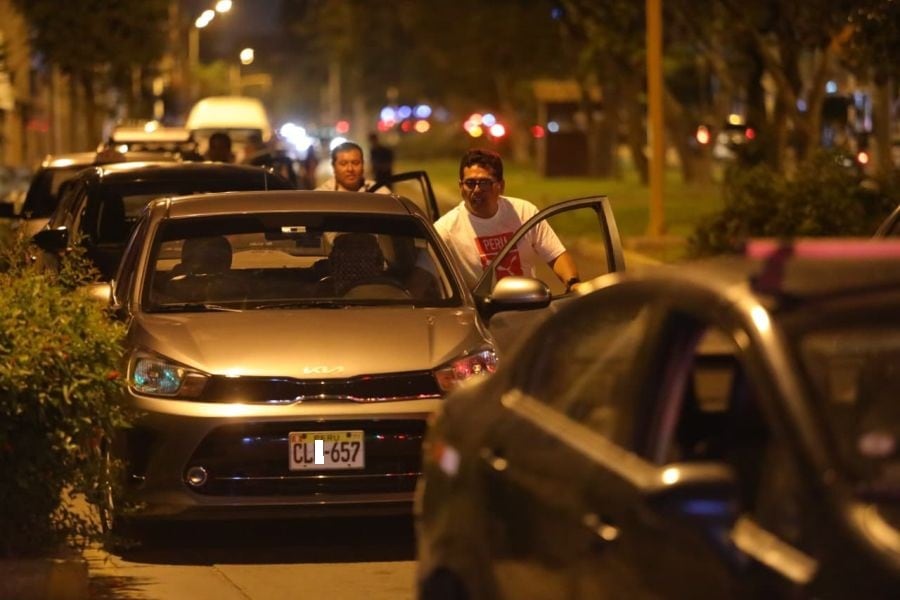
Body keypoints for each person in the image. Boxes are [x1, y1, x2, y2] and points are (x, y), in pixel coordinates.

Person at [433, 148, 582, 292]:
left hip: (528, 305)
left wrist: (573, 284)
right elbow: (425, 275)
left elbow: (556, 255)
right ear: (460, 186)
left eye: (484, 183)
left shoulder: (524, 212)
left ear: (501, 186)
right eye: (470, 183)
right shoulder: (445, 230)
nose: (477, 190)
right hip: (483, 313)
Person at [315, 141, 388, 193]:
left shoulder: (380, 193)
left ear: (363, 164)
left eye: (355, 163)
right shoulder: (322, 196)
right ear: (334, 166)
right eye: (343, 164)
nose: (350, 169)